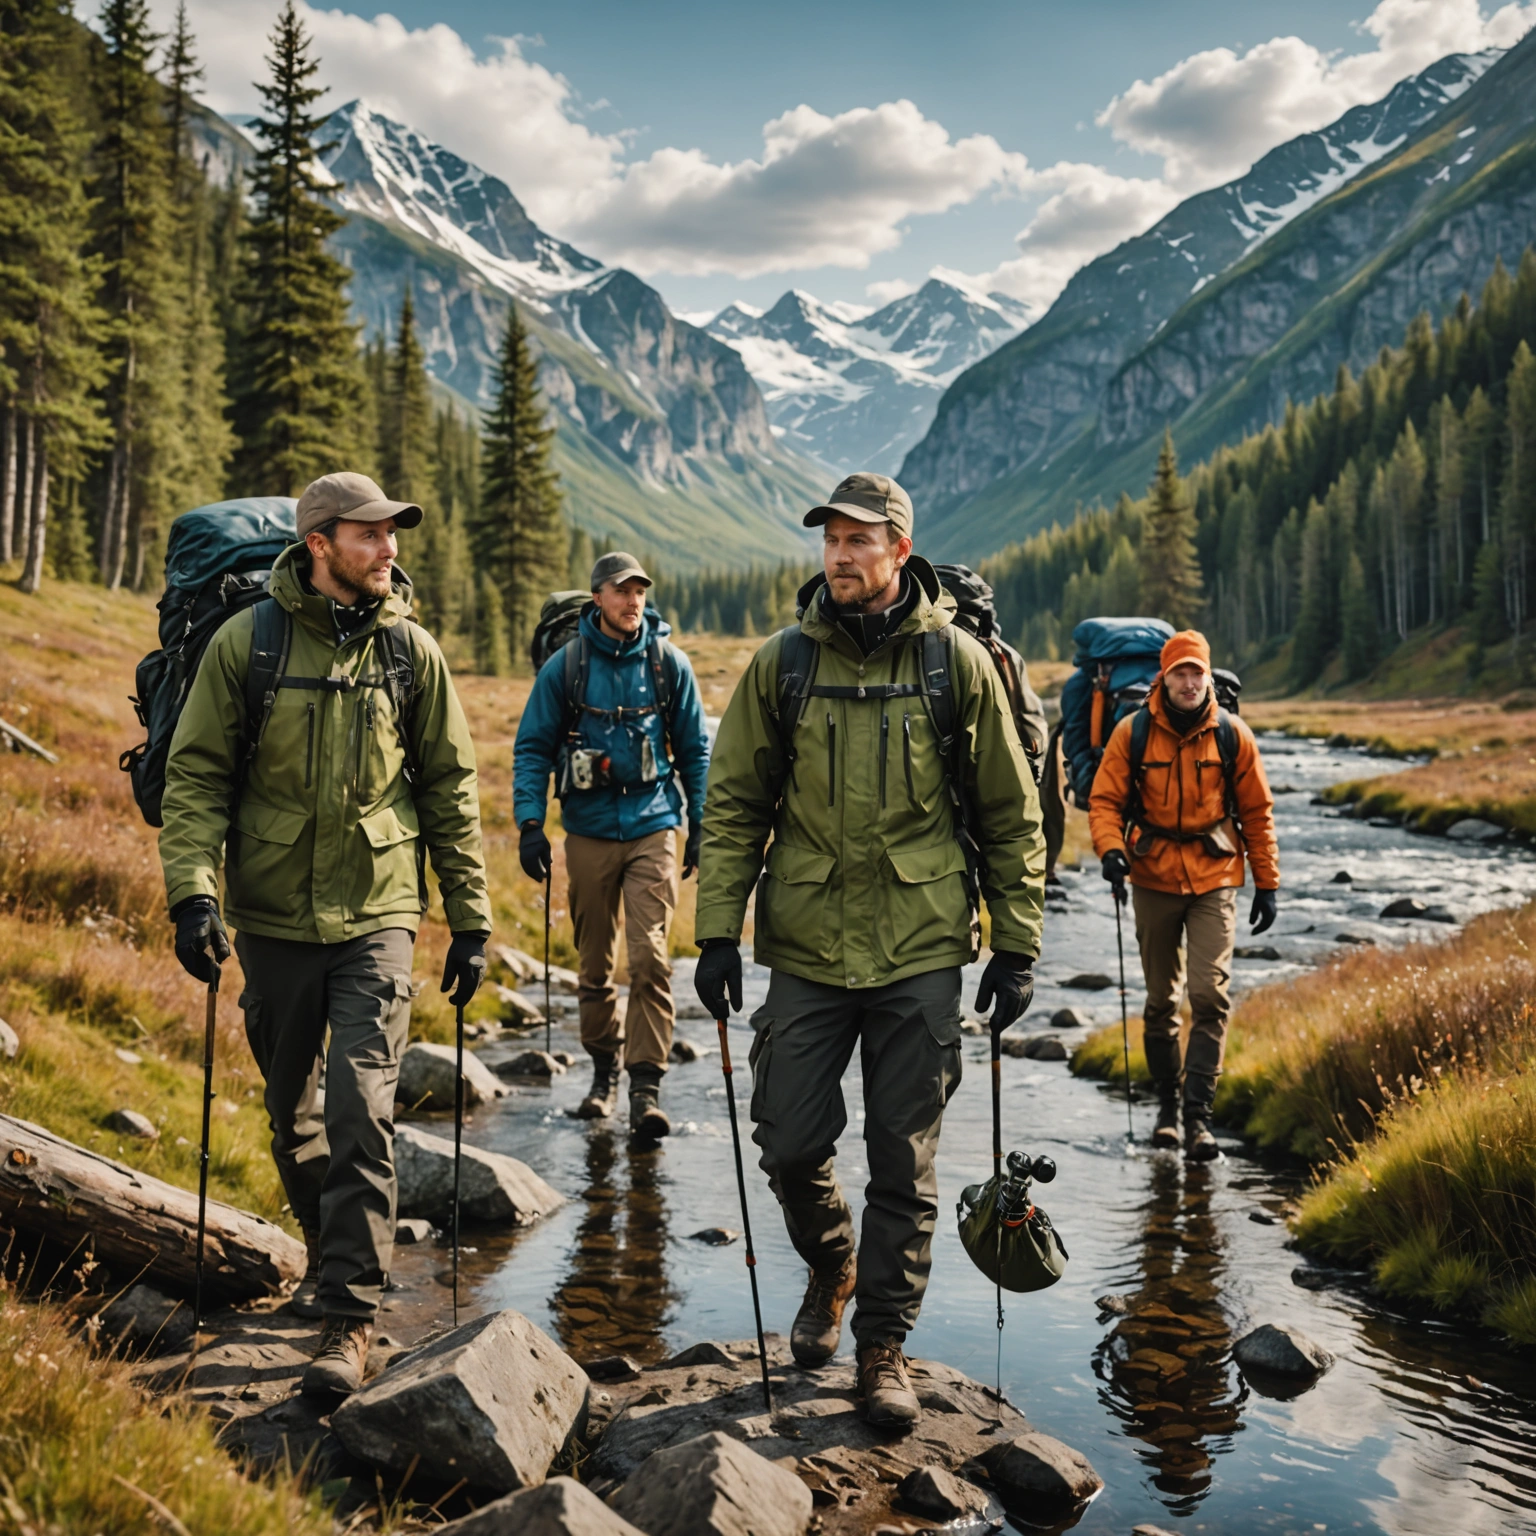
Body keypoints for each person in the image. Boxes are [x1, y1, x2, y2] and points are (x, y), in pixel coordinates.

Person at [692, 472, 1045, 1428]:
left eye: (859, 539)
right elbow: (732, 808)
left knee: (904, 1159)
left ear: (899, 549)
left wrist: (1015, 947)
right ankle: (833, 1264)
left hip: (923, 945)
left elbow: (1010, 817)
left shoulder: (954, 664)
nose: (840, 555)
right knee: (788, 1137)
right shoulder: (782, 665)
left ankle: (883, 1346)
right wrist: (717, 932)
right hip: (805, 944)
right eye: (830, 539)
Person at [159, 471, 491, 1396]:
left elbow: (450, 794)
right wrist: (193, 896)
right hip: (270, 916)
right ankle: (327, 1256)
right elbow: (194, 780)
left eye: (393, 535)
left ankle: (351, 1319)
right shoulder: (247, 644)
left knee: (360, 1107)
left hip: (379, 913)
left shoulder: (410, 654)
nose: (390, 549)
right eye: (371, 534)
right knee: (292, 1116)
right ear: (319, 545)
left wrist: (470, 920)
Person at [513, 552, 710, 1139]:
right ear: (597, 597)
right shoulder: (566, 668)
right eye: (622, 591)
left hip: (655, 826)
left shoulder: (667, 664)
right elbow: (531, 749)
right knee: (595, 967)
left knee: (650, 960)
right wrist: (528, 824)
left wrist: (699, 823)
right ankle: (603, 1076)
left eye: (640, 591)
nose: (633, 601)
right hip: (589, 832)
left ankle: (645, 1089)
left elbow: (695, 751)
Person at [1088, 629, 1279, 1160]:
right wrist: (1109, 851)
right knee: (1159, 1004)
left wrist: (1267, 883)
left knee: (1209, 996)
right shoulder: (1133, 732)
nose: (1190, 682)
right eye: (1180, 673)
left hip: (1215, 876)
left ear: (1208, 676)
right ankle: (1167, 1110)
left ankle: (1199, 1120)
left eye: (1197, 672)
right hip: (1151, 876)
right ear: (1164, 677)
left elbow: (1258, 813)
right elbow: (1104, 802)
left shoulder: (1232, 735)